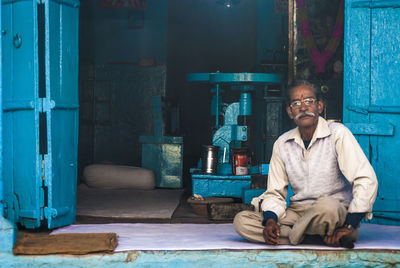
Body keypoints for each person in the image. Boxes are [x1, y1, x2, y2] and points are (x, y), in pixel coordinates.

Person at [233, 80, 378, 247]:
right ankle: (315, 238)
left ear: (320, 106)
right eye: (296, 103)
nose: (303, 108)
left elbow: (366, 179)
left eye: (309, 101)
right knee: (242, 221)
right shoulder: (282, 143)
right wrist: (271, 221)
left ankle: (293, 236)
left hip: (329, 213)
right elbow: (275, 193)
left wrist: (351, 223)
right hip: (297, 212)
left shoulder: (338, 134)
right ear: (289, 111)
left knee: (328, 206)